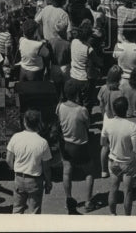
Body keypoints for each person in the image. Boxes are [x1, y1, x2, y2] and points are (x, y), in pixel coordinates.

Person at [57, 81, 96, 213]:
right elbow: (88, 125)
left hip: (66, 144)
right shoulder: (82, 110)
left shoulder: (60, 107)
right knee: (90, 171)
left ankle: (69, 200)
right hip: (81, 145)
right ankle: (88, 201)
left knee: (67, 172)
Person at [5, 109, 53, 215]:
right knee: (34, 213)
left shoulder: (16, 137)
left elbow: (8, 159)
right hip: (35, 181)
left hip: (18, 178)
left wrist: (16, 170)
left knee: (17, 210)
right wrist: (48, 182)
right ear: (39, 123)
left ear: (24, 122)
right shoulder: (42, 143)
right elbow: (46, 168)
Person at [101, 95, 136, 216]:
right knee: (128, 192)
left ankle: (112, 214)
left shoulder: (108, 124)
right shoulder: (132, 126)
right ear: (126, 109)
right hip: (128, 163)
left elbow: (103, 143)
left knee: (113, 189)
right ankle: (127, 217)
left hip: (113, 161)